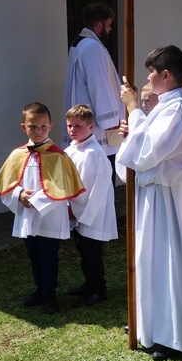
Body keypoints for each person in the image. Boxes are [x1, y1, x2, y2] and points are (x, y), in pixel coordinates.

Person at [116, 45, 182, 361]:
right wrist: (135, 120)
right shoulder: (166, 108)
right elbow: (140, 148)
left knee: (168, 263)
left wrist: (134, 109)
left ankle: (174, 336)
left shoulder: (177, 110)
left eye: (151, 72)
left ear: (166, 74)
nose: (148, 78)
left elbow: (148, 150)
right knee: (149, 259)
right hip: (154, 195)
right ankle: (150, 325)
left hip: (169, 198)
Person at [0, 102, 85, 315]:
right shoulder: (17, 155)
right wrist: (19, 195)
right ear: (24, 127)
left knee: (49, 255)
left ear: (50, 126)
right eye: (33, 127)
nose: (39, 131)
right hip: (26, 214)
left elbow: (61, 186)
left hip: (50, 216)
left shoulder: (59, 156)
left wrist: (37, 201)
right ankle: (40, 290)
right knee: (33, 254)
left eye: (43, 126)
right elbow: (8, 185)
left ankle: (49, 296)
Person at [64, 104, 117, 308]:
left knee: (92, 253)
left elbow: (97, 190)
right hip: (77, 211)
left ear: (91, 126)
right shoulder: (72, 149)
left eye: (78, 126)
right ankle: (89, 284)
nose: (73, 130)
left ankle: (98, 290)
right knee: (84, 252)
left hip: (91, 213)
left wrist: (83, 216)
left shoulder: (94, 154)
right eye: (70, 125)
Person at [63, 2, 124, 158]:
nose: (110, 29)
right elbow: (100, 85)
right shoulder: (92, 47)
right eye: (109, 25)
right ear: (99, 25)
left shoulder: (81, 43)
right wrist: (110, 121)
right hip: (96, 127)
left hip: (83, 119)